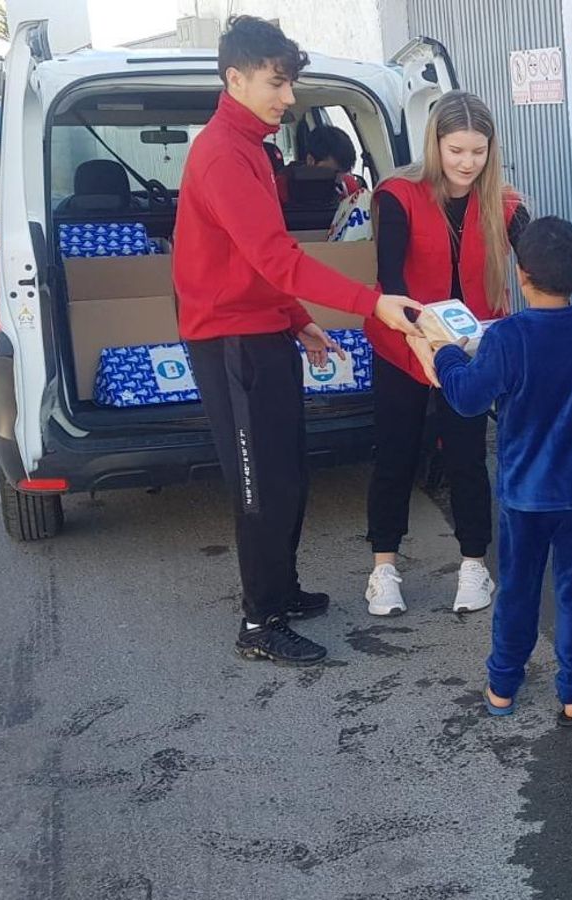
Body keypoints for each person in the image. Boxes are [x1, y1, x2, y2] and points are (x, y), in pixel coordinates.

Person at [174, 15, 423, 666]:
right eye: (276, 83)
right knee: (260, 485)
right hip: (231, 342)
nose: (288, 97)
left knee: (287, 473)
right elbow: (275, 258)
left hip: (262, 332)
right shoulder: (222, 154)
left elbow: (256, 261)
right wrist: (372, 303)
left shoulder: (252, 149)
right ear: (235, 79)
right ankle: (260, 623)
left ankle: (281, 589)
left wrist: (295, 319)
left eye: (290, 83)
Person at [420, 217, 572, 725]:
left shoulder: (507, 336)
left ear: (519, 274)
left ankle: (502, 686)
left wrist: (446, 354)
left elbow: (467, 398)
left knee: (519, 590)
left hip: (525, 494)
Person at [362, 91, 531, 617]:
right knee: (395, 454)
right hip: (403, 344)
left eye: (478, 151)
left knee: (467, 457)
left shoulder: (506, 204)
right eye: (456, 150)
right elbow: (391, 282)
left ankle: (474, 565)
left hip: (472, 352)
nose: (467, 163)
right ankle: (383, 568)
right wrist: (422, 343)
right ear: (435, 144)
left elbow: (539, 269)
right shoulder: (397, 195)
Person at [300, 125, 366, 201]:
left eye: (344, 172)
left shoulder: (349, 188)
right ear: (310, 161)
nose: (339, 179)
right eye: (333, 172)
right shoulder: (288, 189)